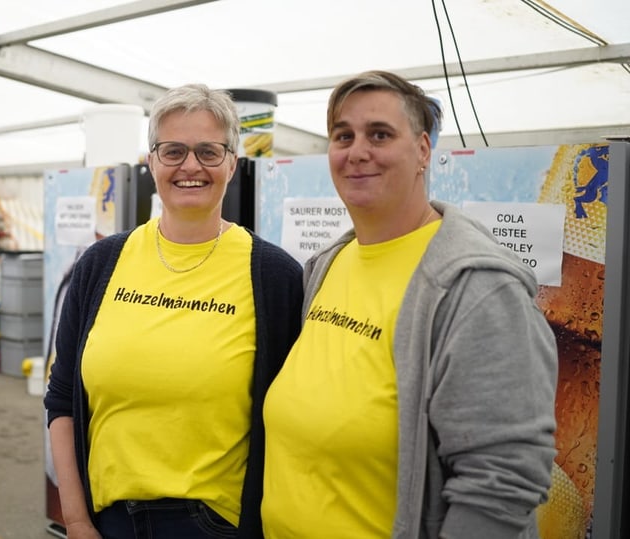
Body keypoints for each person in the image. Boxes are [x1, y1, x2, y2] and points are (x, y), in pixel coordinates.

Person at [261, 70, 558, 538]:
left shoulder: (478, 287)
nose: (358, 151)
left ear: (422, 150)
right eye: (344, 135)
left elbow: (501, 483)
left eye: (379, 134)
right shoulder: (328, 263)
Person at [44, 83, 304, 539]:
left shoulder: (273, 276)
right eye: (173, 151)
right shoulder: (101, 264)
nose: (190, 166)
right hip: (108, 521)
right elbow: (62, 397)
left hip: (213, 525)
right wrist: (77, 520)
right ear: (151, 163)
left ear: (231, 163)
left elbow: (292, 418)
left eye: (208, 151)